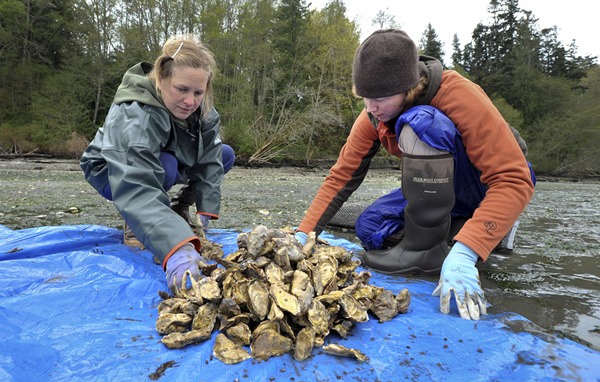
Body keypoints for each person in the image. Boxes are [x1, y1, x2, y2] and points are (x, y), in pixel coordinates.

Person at [294, 29, 535, 320]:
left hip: (481, 183)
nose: (371, 108)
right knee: (370, 227)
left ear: (410, 87)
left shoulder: (458, 94)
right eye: (363, 97)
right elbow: (341, 177)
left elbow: (513, 178)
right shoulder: (373, 113)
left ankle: (440, 248)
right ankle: (479, 228)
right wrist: (302, 236)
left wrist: (466, 253)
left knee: (420, 123)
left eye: (380, 98)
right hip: (437, 188)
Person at [80, 35, 235, 295]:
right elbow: (136, 182)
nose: (190, 101)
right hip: (112, 169)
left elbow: (209, 160)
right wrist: (177, 247)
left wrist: (206, 210)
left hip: (164, 158)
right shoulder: (136, 112)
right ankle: (136, 222)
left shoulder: (202, 111)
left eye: (198, 92)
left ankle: (179, 210)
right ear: (161, 78)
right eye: (182, 89)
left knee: (224, 154)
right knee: (166, 165)